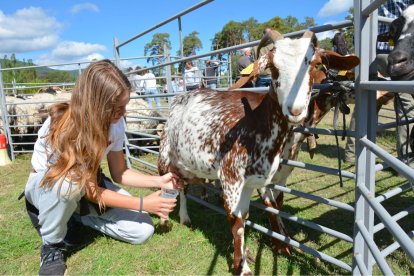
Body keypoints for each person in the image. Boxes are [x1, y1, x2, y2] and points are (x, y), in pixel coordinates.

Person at [24, 59, 180, 275]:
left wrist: (158, 181)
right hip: (48, 185)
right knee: (68, 186)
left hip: (86, 185)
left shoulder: (114, 123)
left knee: (143, 230)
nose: (124, 113)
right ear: (96, 104)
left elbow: (120, 172)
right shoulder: (65, 127)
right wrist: (143, 203)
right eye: (117, 108)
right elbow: (87, 189)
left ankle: (78, 216)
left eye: (124, 106)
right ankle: (52, 245)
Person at [344, 0, 414, 167]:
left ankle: (351, 154)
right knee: (406, 103)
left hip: (370, 52)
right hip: (396, 52)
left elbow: (359, 28)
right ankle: (406, 160)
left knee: (366, 102)